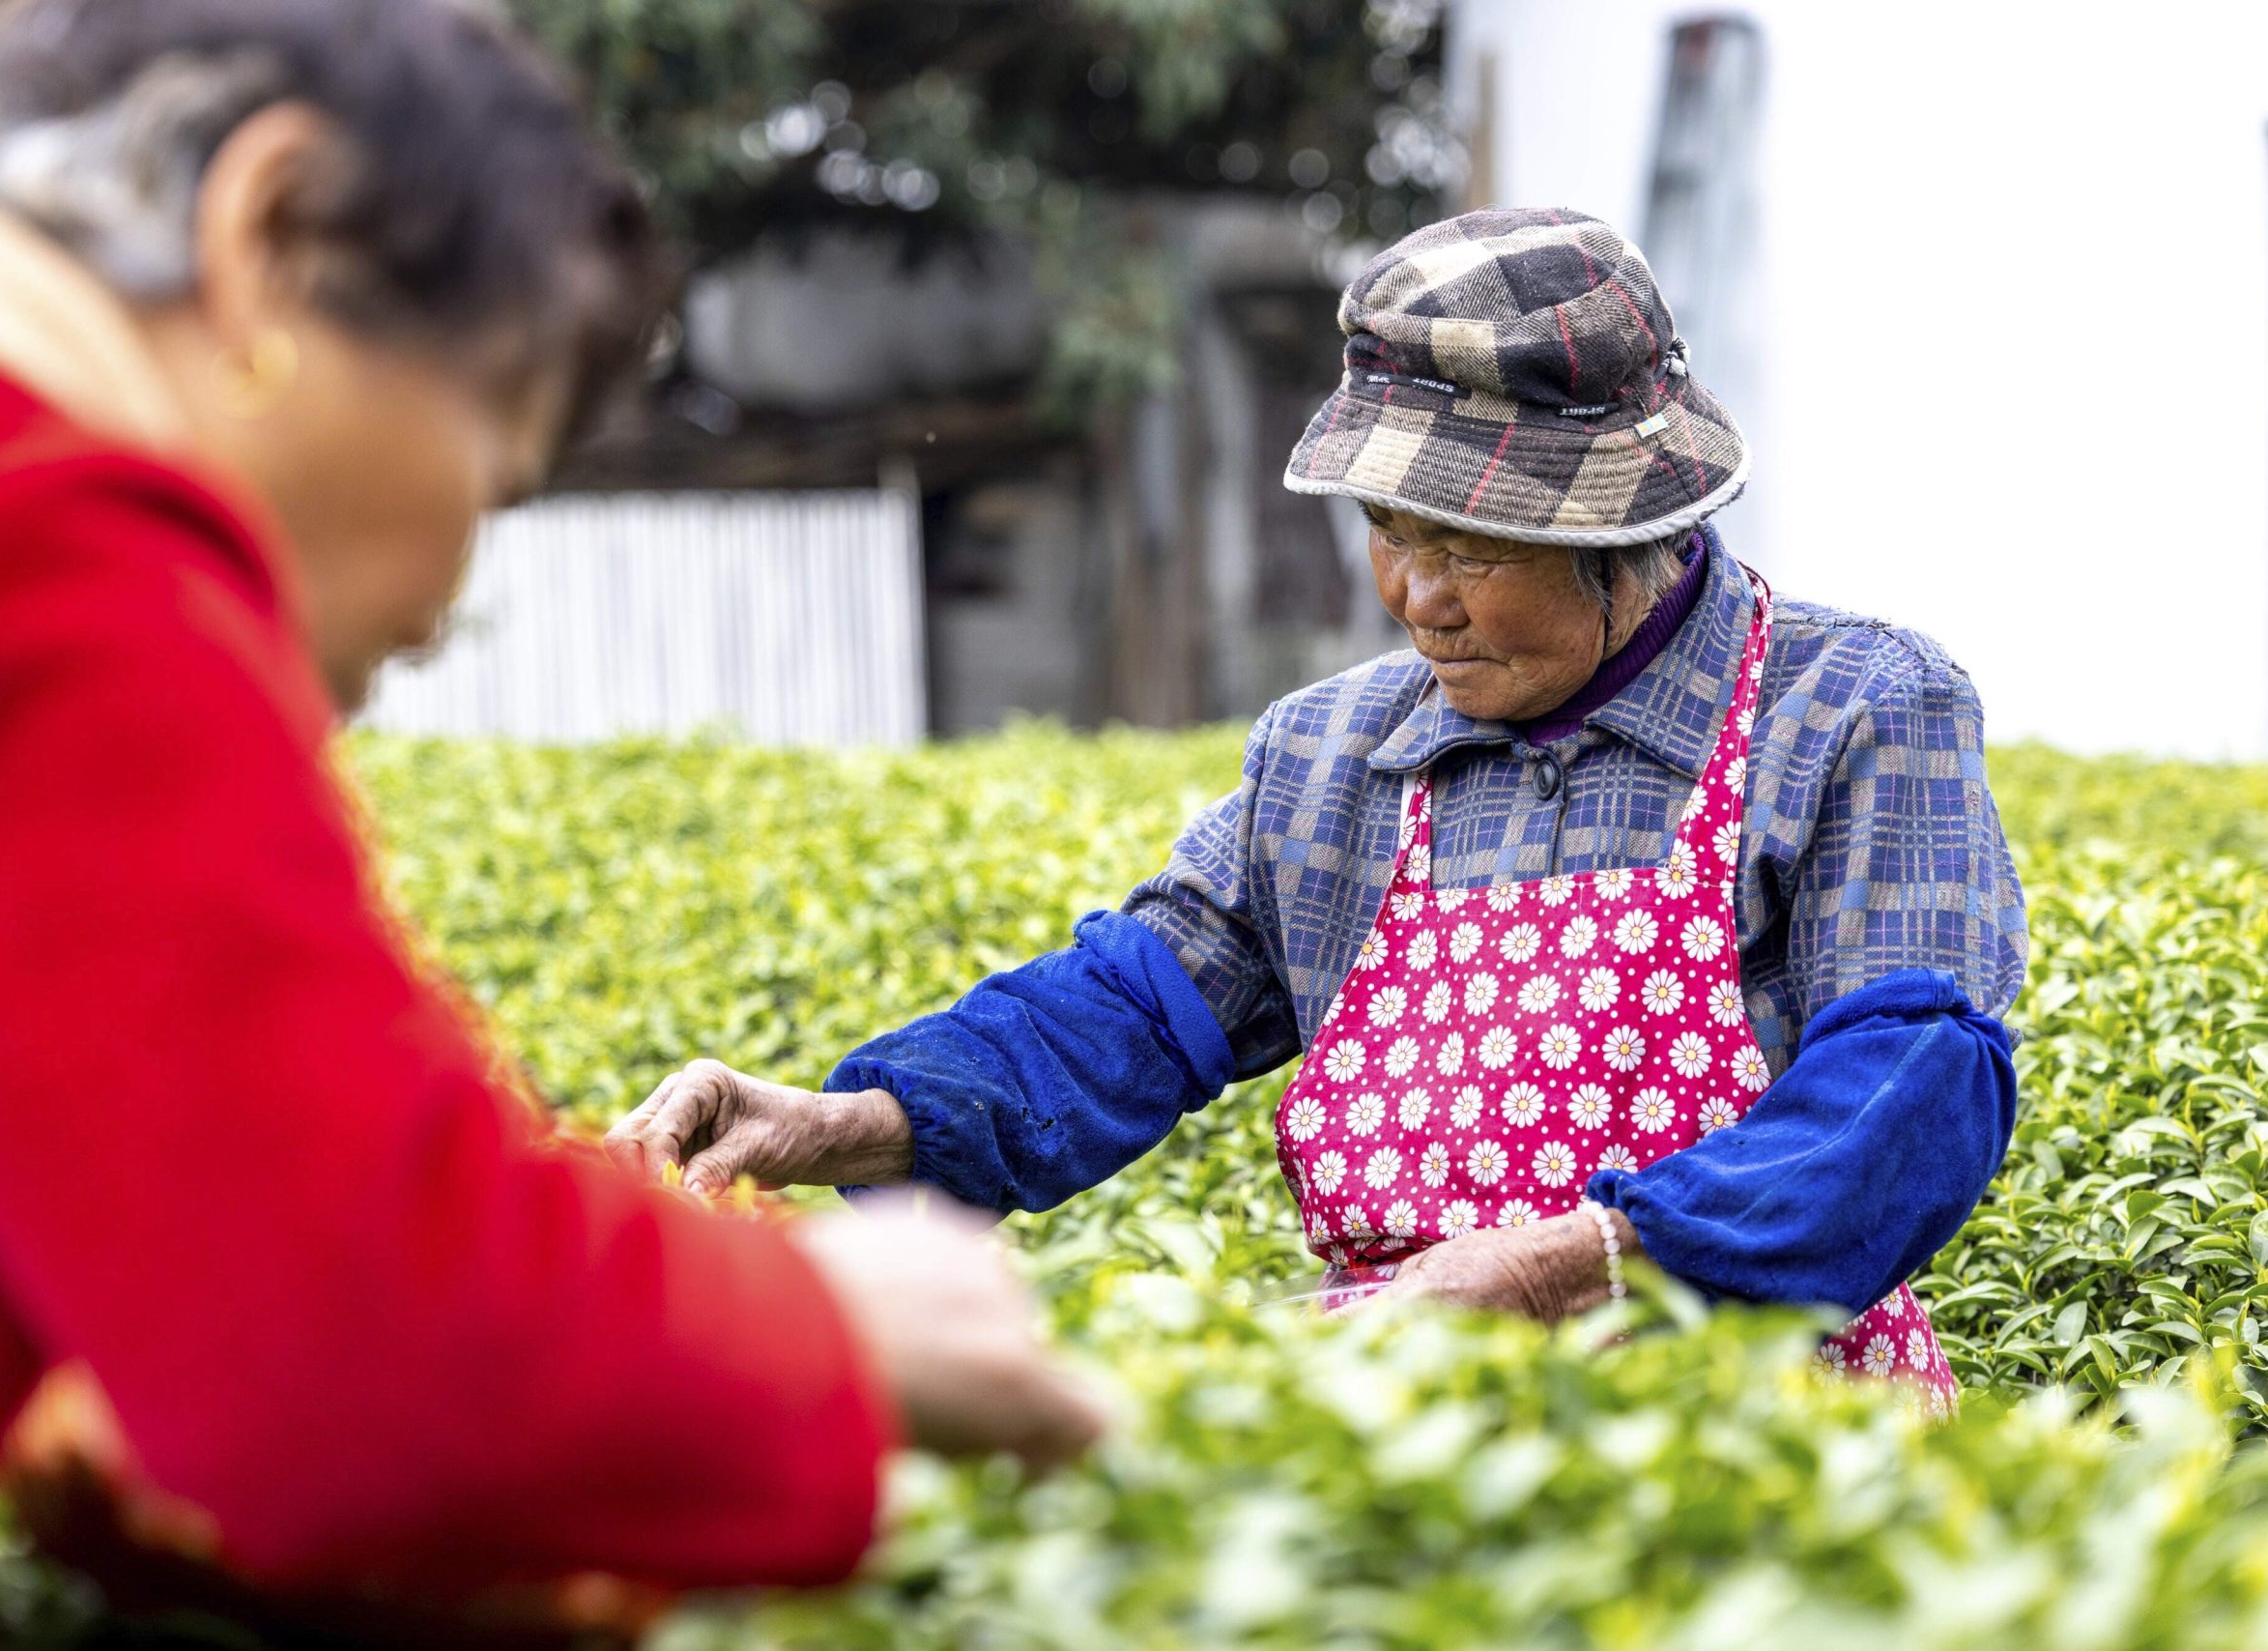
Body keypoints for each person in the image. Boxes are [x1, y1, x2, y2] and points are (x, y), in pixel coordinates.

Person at [0, 1, 1100, 1642]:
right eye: (491, 467)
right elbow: (347, 1346)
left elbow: (195, 1244)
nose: (436, 614)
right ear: (270, 236)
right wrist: (825, 1320)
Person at [614, 209, 2026, 1407]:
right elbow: (1124, 1013)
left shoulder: (1852, 714)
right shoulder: (1334, 757)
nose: (1417, 598)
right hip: (1411, 1446)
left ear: (1619, 525)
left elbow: (1909, 1102)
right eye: (1389, 533)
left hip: (1778, 1455)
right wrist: (838, 1121)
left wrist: (1572, 1266)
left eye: (1470, 547)